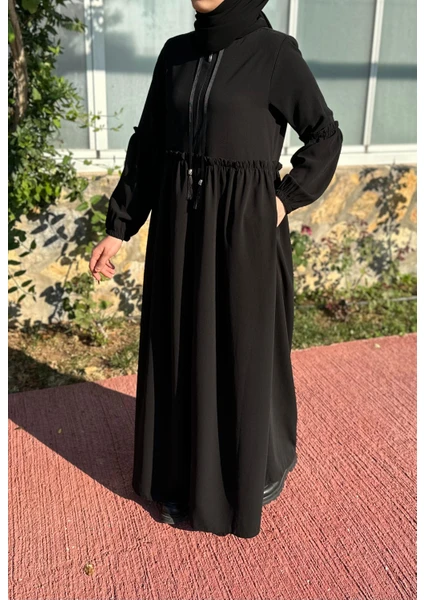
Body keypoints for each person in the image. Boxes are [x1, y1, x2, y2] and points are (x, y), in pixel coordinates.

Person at [89, 0, 343, 539]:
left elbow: (324, 134)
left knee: (241, 351)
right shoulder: (175, 54)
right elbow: (149, 144)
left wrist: (283, 199)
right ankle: (179, 478)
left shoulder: (275, 53)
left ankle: (254, 470)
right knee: (178, 343)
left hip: (243, 234)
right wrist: (120, 226)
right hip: (180, 232)